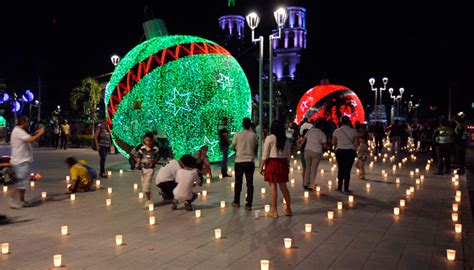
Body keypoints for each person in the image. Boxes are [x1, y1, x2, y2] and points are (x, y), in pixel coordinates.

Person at [8, 116, 45, 208]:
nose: (28, 124)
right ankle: (12, 199)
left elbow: (28, 137)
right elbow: (31, 139)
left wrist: (34, 133)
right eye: (28, 122)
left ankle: (22, 201)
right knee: (22, 182)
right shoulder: (18, 131)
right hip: (20, 160)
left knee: (22, 182)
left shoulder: (18, 131)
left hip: (19, 160)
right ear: (24, 122)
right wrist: (40, 133)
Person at [260, 120, 292, 218]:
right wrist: (287, 166)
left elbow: (265, 154)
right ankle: (289, 209)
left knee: (273, 187)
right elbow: (288, 155)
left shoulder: (270, 138)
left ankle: (274, 211)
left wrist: (261, 167)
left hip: (272, 163)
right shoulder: (285, 139)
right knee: (284, 188)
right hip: (282, 164)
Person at [231, 117, 258, 210]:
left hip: (239, 161)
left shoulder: (237, 134)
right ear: (250, 125)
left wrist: (238, 150)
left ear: (242, 125)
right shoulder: (254, 135)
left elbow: (233, 147)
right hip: (250, 161)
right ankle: (248, 204)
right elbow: (256, 147)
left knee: (238, 182)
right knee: (250, 183)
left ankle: (236, 201)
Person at [332, 116, 357, 193]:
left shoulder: (336, 131)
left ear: (341, 122)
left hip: (340, 151)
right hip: (350, 151)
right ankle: (346, 188)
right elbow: (356, 143)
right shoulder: (353, 131)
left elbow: (333, 143)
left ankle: (339, 187)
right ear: (348, 122)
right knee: (348, 170)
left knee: (341, 169)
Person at [136, 133, 159, 209]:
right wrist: (138, 163)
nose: (148, 142)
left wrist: (153, 160)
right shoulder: (142, 148)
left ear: (152, 141)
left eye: (149, 140)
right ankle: (149, 200)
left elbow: (157, 159)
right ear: (144, 140)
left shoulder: (155, 149)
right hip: (143, 169)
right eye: (146, 140)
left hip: (150, 169)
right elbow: (139, 156)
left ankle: (149, 201)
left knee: (147, 186)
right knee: (144, 185)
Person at [303, 120, 327, 190]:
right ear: (321, 127)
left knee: (307, 167)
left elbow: (304, 139)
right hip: (316, 151)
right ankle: (311, 185)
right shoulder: (322, 133)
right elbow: (324, 145)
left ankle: (305, 183)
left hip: (307, 151)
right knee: (313, 169)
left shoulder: (309, 131)